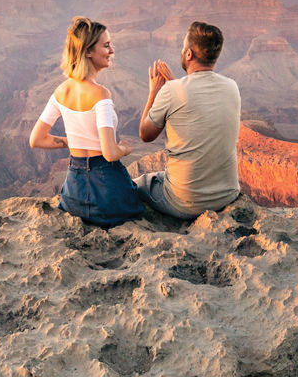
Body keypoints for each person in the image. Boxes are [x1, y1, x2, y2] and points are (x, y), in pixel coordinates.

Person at [29, 17, 144, 228]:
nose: (112, 51)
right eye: (107, 45)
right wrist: (125, 149)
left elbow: (36, 139)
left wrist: (72, 142)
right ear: (88, 51)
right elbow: (109, 153)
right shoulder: (101, 94)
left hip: (74, 194)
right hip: (108, 192)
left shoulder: (61, 91)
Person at [134, 21, 240, 219]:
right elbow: (198, 109)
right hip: (227, 195)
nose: (182, 51)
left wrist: (154, 92)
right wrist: (173, 87)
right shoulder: (232, 87)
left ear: (189, 54)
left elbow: (145, 134)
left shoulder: (172, 91)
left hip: (184, 203)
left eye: (183, 48)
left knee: (137, 184)